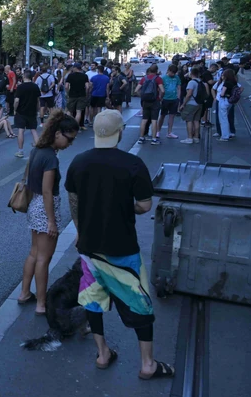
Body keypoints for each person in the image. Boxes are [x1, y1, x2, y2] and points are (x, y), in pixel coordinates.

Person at [65, 109, 174, 380]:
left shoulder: (78, 162)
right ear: (120, 132)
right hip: (122, 248)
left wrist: (80, 230)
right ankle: (147, 364)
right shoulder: (132, 164)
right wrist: (127, 207)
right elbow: (145, 204)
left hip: (90, 247)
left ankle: (102, 354)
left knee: (93, 300)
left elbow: (74, 202)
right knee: (139, 303)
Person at [17, 110, 79, 314]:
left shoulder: (37, 150)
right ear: (58, 133)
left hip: (34, 205)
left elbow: (32, 182)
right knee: (44, 258)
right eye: (69, 139)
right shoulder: (51, 158)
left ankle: (25, 293)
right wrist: (52, 221)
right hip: (45, 208)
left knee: (34, 253)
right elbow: (47, 191)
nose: (70, 143)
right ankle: (41, 304)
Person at [13, 72, 41, 158]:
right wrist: (37, 109)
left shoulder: (20, 87)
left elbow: (17, 100)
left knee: (21, 130)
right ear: (31, 77)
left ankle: (20, 151)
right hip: (32, 111)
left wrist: (14, 109)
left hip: (21, 112)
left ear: (23, 77)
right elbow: (38, 100)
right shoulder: (35, 86)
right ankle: (39, 148)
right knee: (33, 130)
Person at [135, 64, 164, 145]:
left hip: (145, 101)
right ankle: (154, 139)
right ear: (156, 70)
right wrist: (160, 97)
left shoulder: (144, 78)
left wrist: (142, 96)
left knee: (144, 119)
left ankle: (141, 137)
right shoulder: (158, 79)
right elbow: (162, 90)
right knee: (154, 120)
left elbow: (136, 90)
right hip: (155, 101)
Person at [178, 67, 205, 144]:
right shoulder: (200, 82)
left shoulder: (191, 82)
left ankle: (190, 138)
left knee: (189, 120)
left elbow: (189, 94)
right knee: (196, 121)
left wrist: (183, 104)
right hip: (199, 104)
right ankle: (196, 137)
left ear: (191, 73)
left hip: (191, 104)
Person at [158, 64, 182, 139]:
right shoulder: (164, 78)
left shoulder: (176, 78)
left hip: (174, 99)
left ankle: (169, 132)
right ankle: (158, 131)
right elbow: (160, 89)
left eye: (174, 73)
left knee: (172, 116)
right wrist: (160, 98)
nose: (173, 74)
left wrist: (178, 98)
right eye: (172, 72)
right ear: (168, 71)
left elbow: (179, 87)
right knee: (162, 115)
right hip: (165, 99)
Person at [216, 68, 239, 142]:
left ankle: (225, 136)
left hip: (224, 100)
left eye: (223, 75)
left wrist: (221, 95)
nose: (222, 76)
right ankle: (228, 133)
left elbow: (222, 93)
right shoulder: (234, 82)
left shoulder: (226, 83)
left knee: (223, 119)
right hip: (230, 101)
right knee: (226, 118)